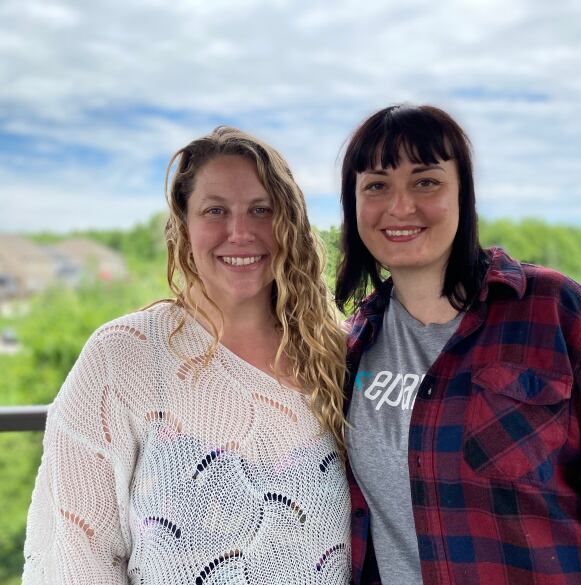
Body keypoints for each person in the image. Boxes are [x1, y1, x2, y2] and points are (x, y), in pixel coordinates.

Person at [336, 104, 581, 584]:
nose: (400, 206)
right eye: (376, 185)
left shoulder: (560, 314)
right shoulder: (355, 339)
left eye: (425, 181)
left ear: (463, 195)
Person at [22, 126, 351, 584]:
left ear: (289, 224)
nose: (240, 232)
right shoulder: (123, 357)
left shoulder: (335, 351)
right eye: (215, 210)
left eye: (261, 210)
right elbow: (78, 555)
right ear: (184, 223)